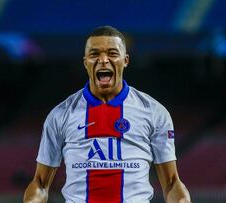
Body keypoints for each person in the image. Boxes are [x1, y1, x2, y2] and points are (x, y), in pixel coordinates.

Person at [24, 25, 191, 203]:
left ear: (125, 60)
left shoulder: (154, 112)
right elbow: (41, 183)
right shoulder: (60, 115)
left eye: (112, 53)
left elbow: (172, 183)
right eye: (95, 54)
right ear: (85, 61)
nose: (103, 60)